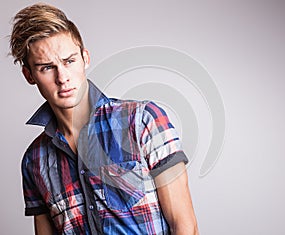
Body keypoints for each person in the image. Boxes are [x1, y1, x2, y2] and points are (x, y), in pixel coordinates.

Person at [10, 3, 199, 235]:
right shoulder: (34, 160)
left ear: (85, 58)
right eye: (47, 68)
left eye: (69, 61)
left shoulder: (143, 121)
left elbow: (185, 226)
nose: (62, 78)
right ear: (29, 75)